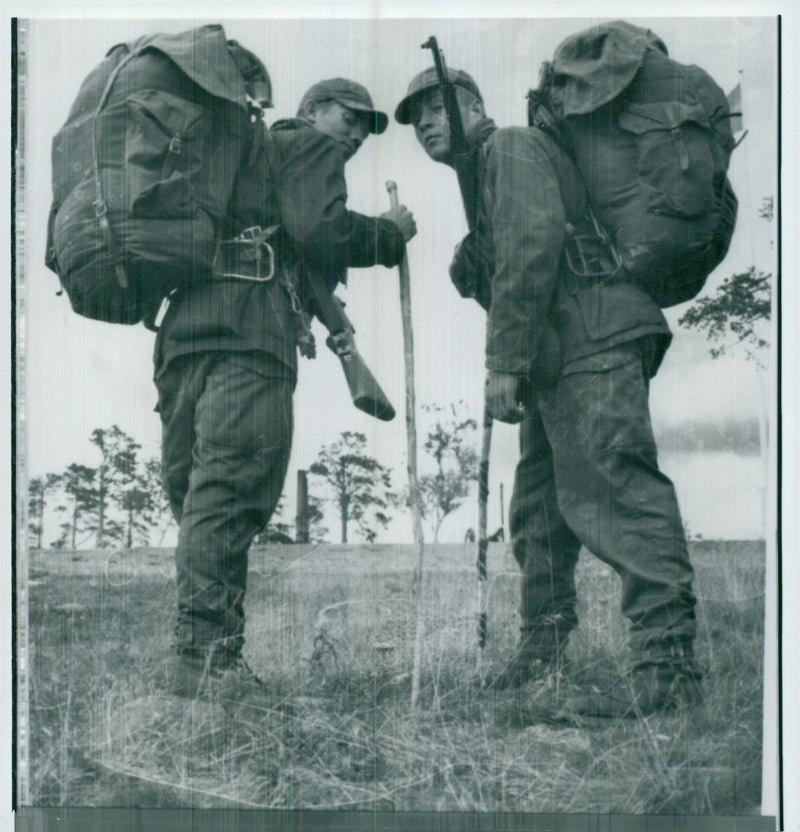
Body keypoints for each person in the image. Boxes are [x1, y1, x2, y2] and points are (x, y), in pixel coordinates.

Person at [395, 67, 701, 718]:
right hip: (558, 357)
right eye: (415, 120)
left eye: (434, 111)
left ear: (472, 106)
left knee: (616, 496)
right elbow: (508, 257)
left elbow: (533, 246)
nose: (423, 126)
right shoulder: (486, 171)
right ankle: (542, 654)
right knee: (539, 515)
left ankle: (669, 675)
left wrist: (502, 362)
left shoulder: (507, 147)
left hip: (590, 335)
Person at [156, 78, 416, 700]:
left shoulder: (240, 158)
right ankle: (204, 663)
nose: (353, 134)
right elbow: (320, 229)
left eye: (363, 127)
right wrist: (387, 233)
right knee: (229, 492)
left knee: (197, 497)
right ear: (307, 112)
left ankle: (206, 653)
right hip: (251, 332)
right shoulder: (308, 147)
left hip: (183, 335)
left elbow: (296, 232)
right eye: (346, 118)